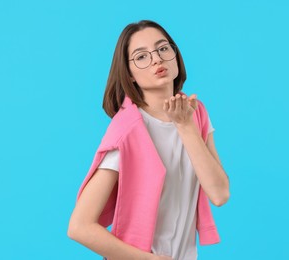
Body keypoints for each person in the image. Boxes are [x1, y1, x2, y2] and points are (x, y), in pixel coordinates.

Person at [67, 20, 230, 260]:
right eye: (141, 56)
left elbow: (219, 194)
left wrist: (185, 125)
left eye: (163, 48)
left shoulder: (196, 113)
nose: (157, 59)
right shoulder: (128, 131)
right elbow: (79, 227)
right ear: (129, 74)